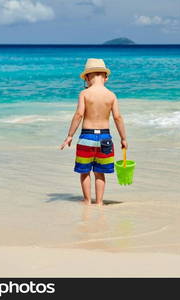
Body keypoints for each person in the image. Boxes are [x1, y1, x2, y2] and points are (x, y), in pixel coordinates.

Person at [60, 58, 127, 205]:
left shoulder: (85, 94)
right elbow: (117, 117)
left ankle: (87, 200)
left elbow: (79, 114)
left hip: (87, 137)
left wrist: (69, 135)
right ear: (106, 77)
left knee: (84, 172)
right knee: (100, 173)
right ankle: (100, 202)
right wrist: (123, 138)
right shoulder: (111, 95)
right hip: (105, 138)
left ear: (87, 77)